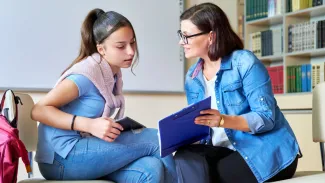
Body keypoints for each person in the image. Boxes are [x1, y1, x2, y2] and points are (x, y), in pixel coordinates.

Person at [31, 9, 177, 183]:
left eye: (133, 43)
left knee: (151, 169)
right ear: (101, 49)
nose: (131, 52)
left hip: (86, 152)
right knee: (157, 139)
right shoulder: (85, 76)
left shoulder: (112, 75)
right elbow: (38, 110)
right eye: (121, 46)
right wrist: (90, 125)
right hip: (60, 159)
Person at [174, 3, 301, 183]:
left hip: (262, 150)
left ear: (211, 36)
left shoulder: (245, 63)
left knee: (214, 173)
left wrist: (223, 120)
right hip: (224, 150)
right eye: (181, 35)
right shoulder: (192, 77)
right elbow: (203, 127)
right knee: (183, 158)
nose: (181, 42)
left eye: (186, 36)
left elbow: (266, 118)